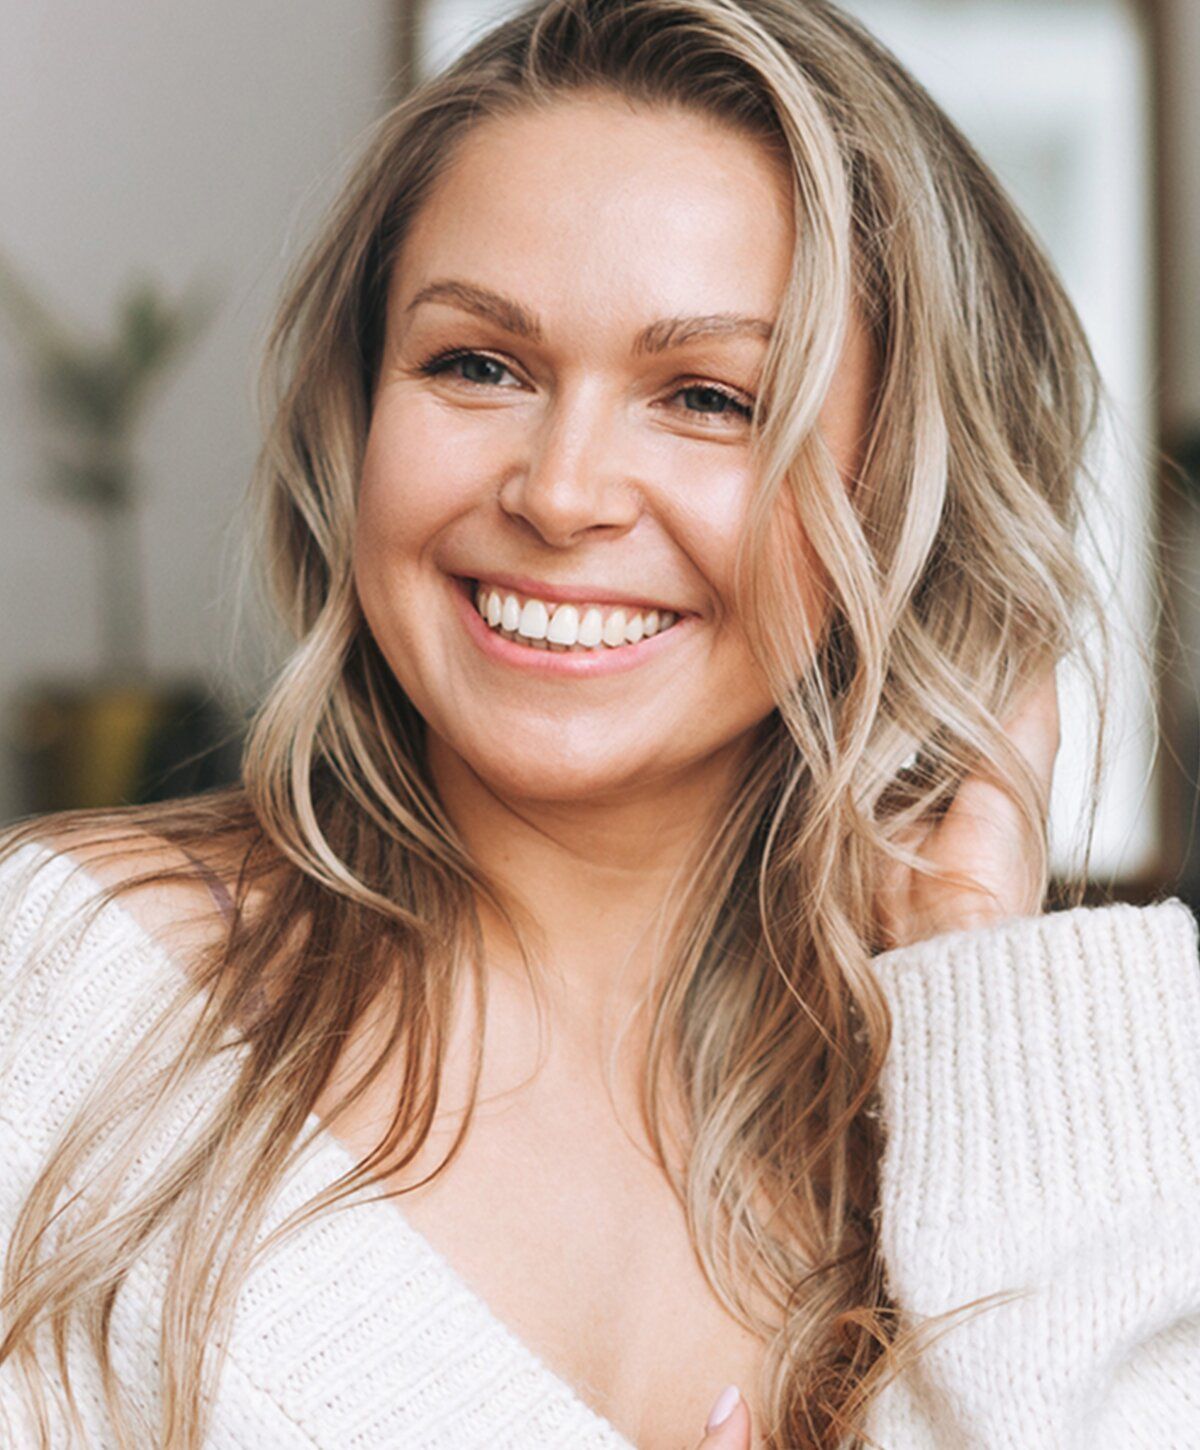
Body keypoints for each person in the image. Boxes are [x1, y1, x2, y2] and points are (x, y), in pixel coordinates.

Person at [2, 0, 1198, 1445]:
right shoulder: (86, 996)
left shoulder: (985, 1130)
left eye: (707, 397)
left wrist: (974, 967)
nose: (560, 491)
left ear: (900, 502)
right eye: (476, 364)